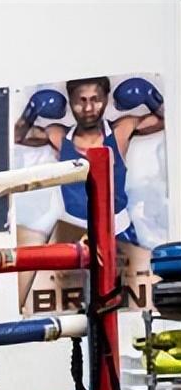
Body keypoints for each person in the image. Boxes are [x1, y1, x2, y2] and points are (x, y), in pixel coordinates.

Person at [13, 76, 165, 305]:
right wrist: (32, 109)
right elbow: (18, 136)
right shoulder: (58, 135)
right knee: (70, 304)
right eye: (81, 101)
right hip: (74, 232)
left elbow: (167, 118)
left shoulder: (121, 130)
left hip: (120, 230)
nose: (88, 108)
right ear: (70, 102)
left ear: (106, 99)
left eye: (95, 99)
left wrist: (150, 95)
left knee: (132, 299)